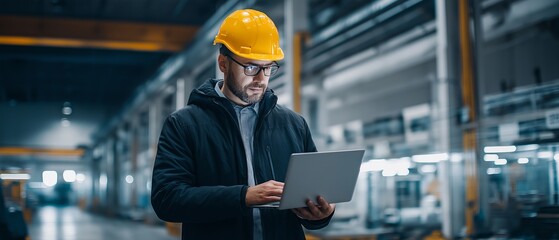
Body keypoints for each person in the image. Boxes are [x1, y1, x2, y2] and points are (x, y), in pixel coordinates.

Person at [151, 8, 335, 240]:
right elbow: (167, 199)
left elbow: (309, 196)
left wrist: (322, 213)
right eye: (250, 67)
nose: (260, 79)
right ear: (223, 63)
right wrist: (244, 197)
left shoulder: (294, 125)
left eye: (267, 68)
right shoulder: (184, 125)